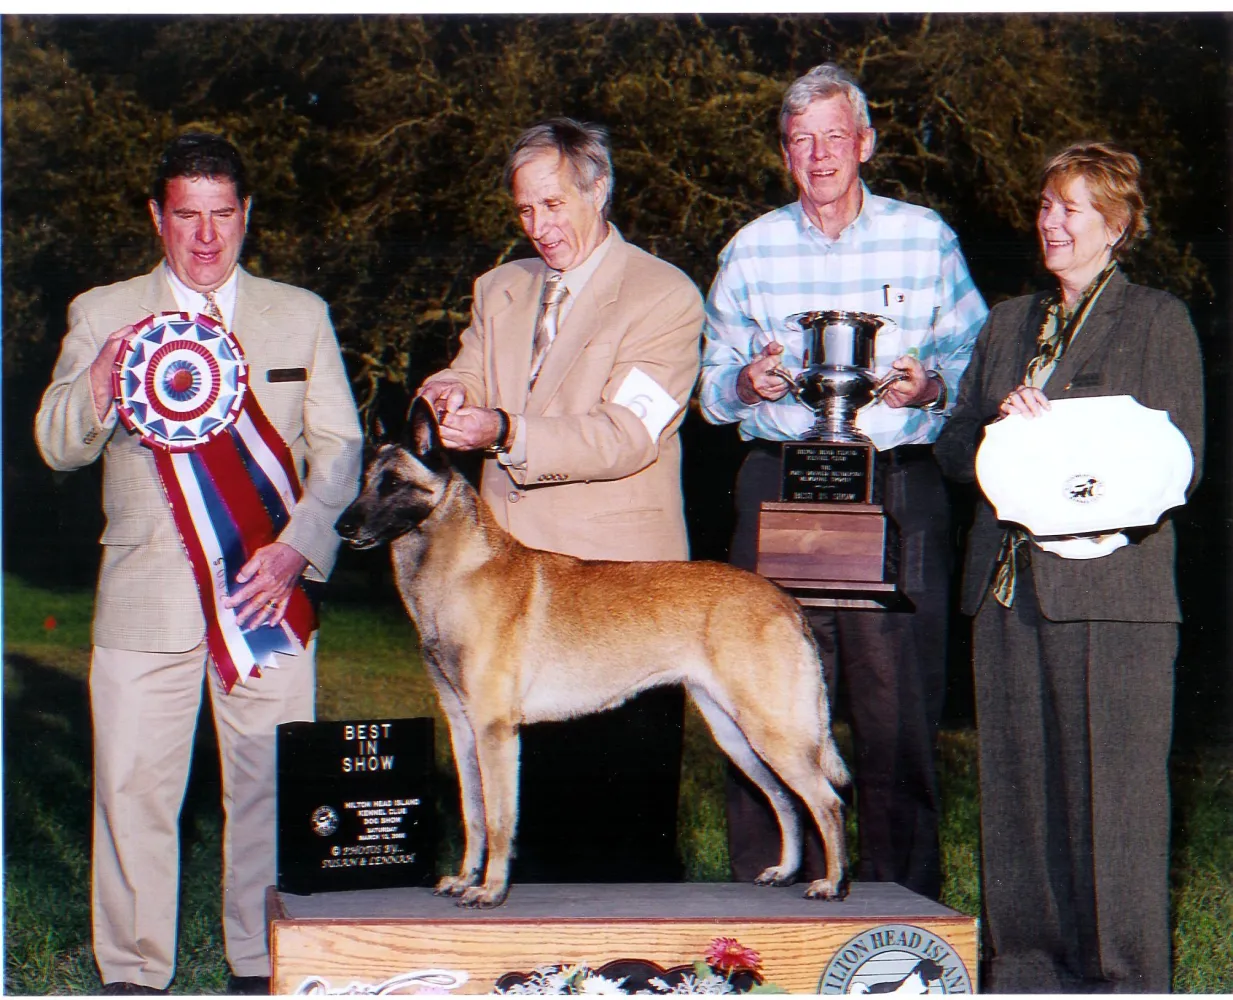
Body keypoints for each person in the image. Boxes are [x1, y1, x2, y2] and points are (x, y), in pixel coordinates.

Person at [34, 133, 363, 996]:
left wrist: (299, 547)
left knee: (267, 788)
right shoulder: (104, 310)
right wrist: (103, 379)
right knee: (134, 793)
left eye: (224, 216)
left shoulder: (301, 314)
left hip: (267, 592)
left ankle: (260, 965)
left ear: (247, 215)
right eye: (188, 217)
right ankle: (136, 974)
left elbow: (340, 448)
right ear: (157, 217)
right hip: (145, 597)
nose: (207, 238)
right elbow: (55, 444)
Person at [699, 64, 987, 900]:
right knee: (760, 696)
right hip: (780, 482)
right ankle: (760, 920)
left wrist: (931, 388)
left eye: (834, 137)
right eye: (801, 141)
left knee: (896, 711)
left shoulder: (925, 237)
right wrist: (742, 384)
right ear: (784, 153)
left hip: (894, 484)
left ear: (864, 143)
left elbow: (974, 360)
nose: (819, 155)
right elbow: (709, 385)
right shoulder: (750, 248)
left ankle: (901, 914)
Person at [934, 141, 1203, 992]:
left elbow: (1177, 462)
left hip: (1111, 596)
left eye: (1072, 209)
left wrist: (1064, 435)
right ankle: (1024, 975)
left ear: (1116, 226)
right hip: (1006, 591)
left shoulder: (1156, 319)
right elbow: (950, 452)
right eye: (1046, 204)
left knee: (1112, 807)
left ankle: (1123, 979)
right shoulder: (1008, 322)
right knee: (1016, 800)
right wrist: (998, 429)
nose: (1051, 221)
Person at [418, 118, 703, 881]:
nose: (539, 228)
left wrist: (505, 430)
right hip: (502, 595)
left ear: (597, 190)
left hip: (621, 597)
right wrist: (451, 390)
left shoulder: (662, 294)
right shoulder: (501, 288)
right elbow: (470, 373)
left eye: (552, 206)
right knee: (524, 831)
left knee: (617, 841)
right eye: (524, 212)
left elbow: (625, 434)